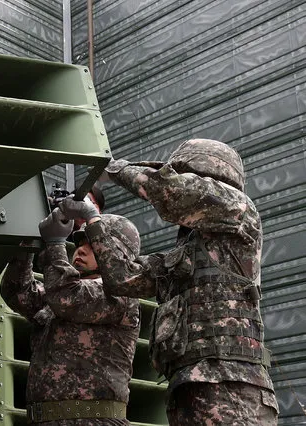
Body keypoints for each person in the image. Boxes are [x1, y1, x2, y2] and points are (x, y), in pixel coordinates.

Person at [63, 139, 278, 425]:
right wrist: (93, 222)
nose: (178, 180)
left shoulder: (237, 208)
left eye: (184, 174)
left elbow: (171, 192)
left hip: (233, 387)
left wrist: (112, 168)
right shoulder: (184, 254)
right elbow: (122, 279)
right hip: (189, 389)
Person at [0, 205, 141, 425]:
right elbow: (17, 293)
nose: (81, 250)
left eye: (92, 245)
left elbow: (67, 297)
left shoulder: (120, 295)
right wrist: (29, 239)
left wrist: (55, 243)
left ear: (117, 255)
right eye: (80, 243)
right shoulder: (62, 292)